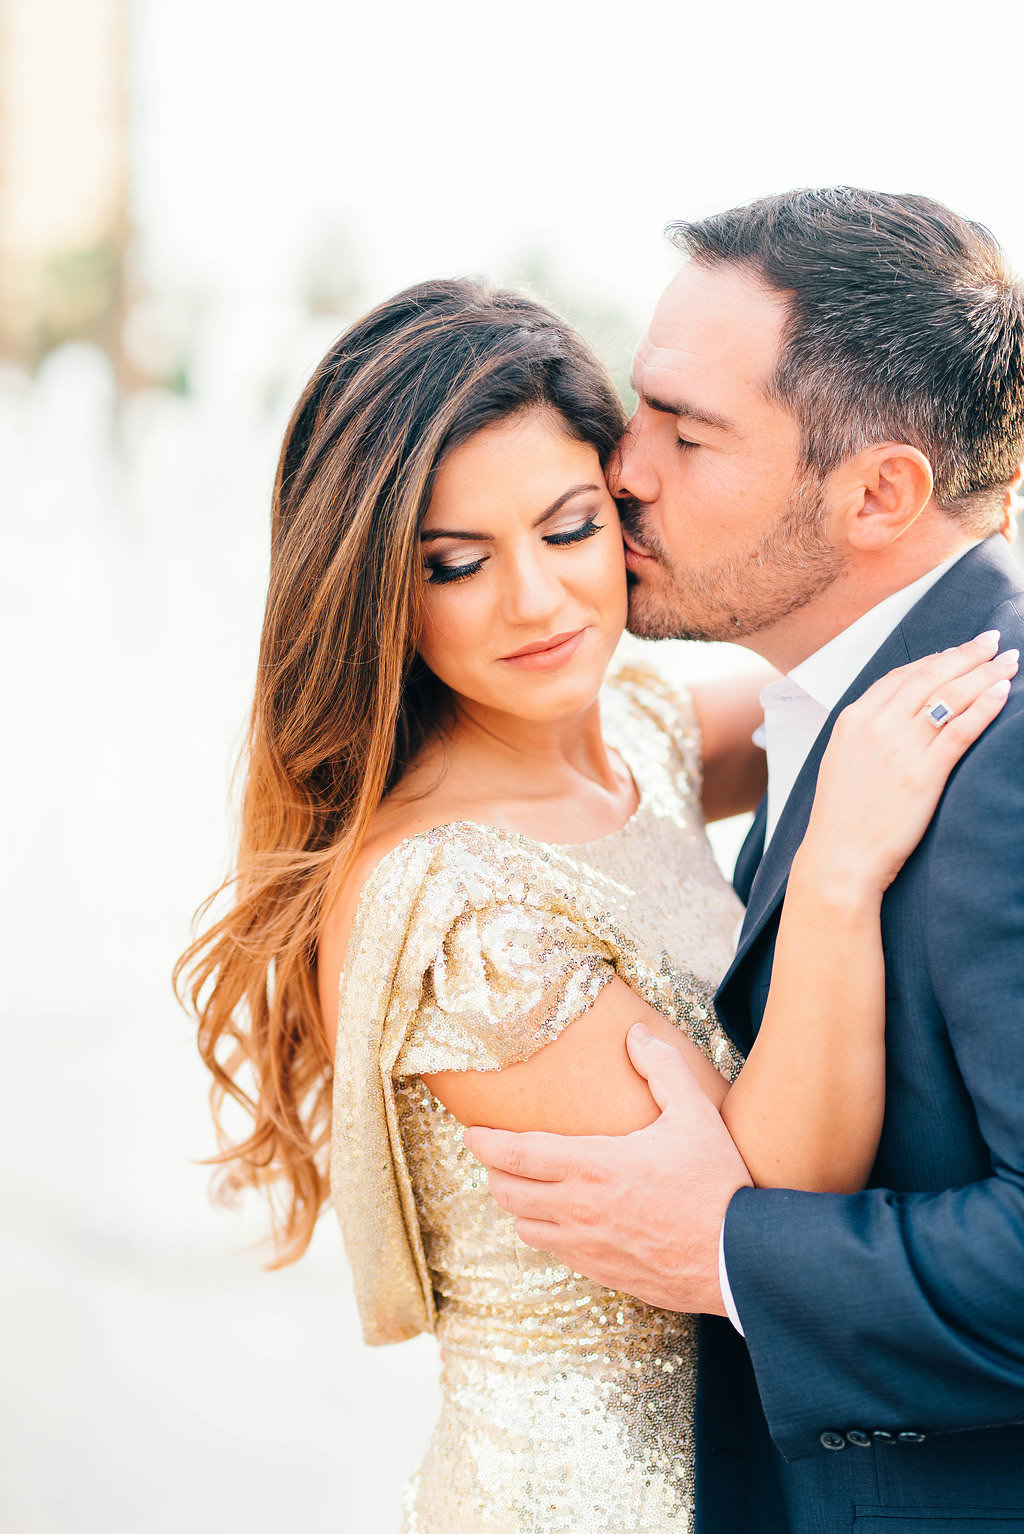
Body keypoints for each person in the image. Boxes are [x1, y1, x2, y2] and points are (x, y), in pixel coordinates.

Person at [175, 275, 1013, 1534]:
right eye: (456, 564)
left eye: (569, 529)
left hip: (755, 1463)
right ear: (373, 593)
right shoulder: (453, 904)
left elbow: (849, 654)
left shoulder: (634, 728)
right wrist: (835, 872)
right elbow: (767, 1188)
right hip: (593, 1496)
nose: (536, 602)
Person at [466, 188, 1024, 1532]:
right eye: (637, 408)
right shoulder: (830, 694)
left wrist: (726, 1248)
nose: (621, 470)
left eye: (688, 432)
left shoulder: (1001, 756)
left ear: (878, 493)